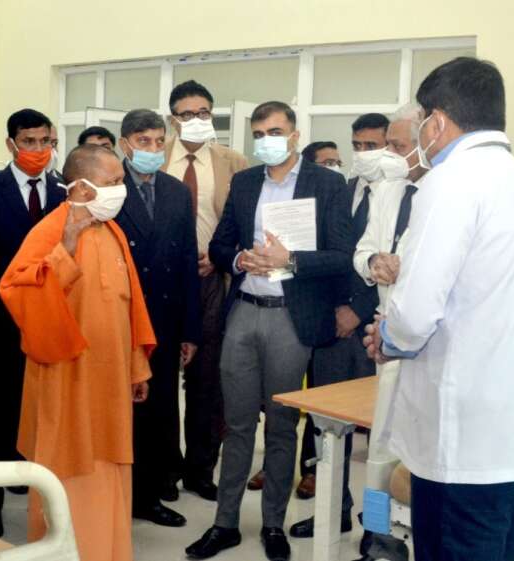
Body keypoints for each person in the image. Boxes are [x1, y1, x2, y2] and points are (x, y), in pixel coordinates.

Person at [362, 57, 514, 561]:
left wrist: (387, 337)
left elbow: (415, 316)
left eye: (419, 122)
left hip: (461, 438)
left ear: (436, 122)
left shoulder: (451, 181)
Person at [186, 101, 353, 561]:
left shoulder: (327, 184)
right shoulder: (244, 183)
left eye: (275, 132)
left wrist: (290, 260)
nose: (266, 141)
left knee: (281, 426)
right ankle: (225, 524)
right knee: (237, 424)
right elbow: (220, 246)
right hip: (244, 310)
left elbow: (342, 255)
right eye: (259, 134)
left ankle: (273, 524)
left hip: (290, 316)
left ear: (295, 135)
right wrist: (240, 258)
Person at [0, 143, 155, 561]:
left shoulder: (113, 230)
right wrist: (64, 250)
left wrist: (137, 367)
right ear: (83, 187)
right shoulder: (51, 229)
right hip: (66, 379)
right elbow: (16, 291)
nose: (121, 190)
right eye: (113, 182)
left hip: (111, 380)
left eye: (120, 181)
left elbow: (129, 305)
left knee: (110, 465)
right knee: (65, 469)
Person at [0, 108, 67, 536]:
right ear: (11, 144)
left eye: (45, 142)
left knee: (47, 416)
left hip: (53, 325)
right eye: (28, 142)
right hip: (3, 327)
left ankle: (40, 493)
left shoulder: (65, 193)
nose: (38, 150)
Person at [290, 116, 384, 536]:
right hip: (331, 327)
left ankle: (377, 529)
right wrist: (334, 309)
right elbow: (329, 254)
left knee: (379, 439)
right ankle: (334, 512)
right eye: (357, 146)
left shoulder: (409, 195)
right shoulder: (340, 190)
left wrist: (357, 311)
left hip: (374, 331)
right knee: (328, 429)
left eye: (372, 146)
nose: (363, 154)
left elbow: (397, 264)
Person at [113, 109, 200, 527]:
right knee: (121, 412)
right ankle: (116, 494)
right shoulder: (108, 189)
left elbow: (186, 264)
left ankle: (148, 494)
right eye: (143, 141)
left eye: (158, 141)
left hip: (163, 321)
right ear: (124, 144)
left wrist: (189, 330)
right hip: (119, 320)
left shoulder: (176, 191)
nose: (152, 148)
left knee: (159, 408)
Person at [163, 80, 249, 501]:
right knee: (160, 379)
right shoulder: (155, 157)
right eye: (187, 114)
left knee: (207, 381)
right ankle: (164, 469)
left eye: (203, 113)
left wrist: (218, 257)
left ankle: (201, 469)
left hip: (213, 279)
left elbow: (245, 224)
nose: (196, 120)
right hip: (164, 283)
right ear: (172, 119)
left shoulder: (234, 162)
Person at [351, 102, 426, 561]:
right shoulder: (388, 189)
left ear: (426, 142)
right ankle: (377, 536)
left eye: (399, 147)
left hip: (424, 344)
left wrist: (406, 269)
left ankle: (417, 538)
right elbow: (363, 249)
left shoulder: (447, 195)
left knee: (418, 454)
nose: (391, 156)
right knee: (379, 450)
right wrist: (373, 262)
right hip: (386, 338)